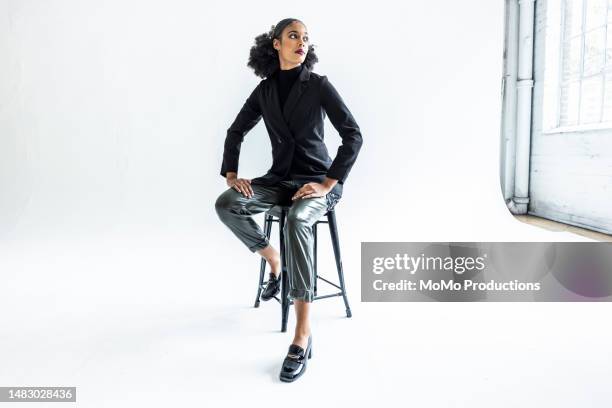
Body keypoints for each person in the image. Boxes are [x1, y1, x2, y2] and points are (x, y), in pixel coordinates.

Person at [214, 17, 363, 382]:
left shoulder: (319, 86)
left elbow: (353, 135)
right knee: (227, 203)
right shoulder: (264, 91)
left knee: (297, 219)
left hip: (316, 181)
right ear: (275, 44)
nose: (302, 42)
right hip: (279, 179)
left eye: (307, 38)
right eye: (294, 36)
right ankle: (273, 258)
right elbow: (236, 131)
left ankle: (301, 336)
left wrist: (328, 183)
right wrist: (232, 174)